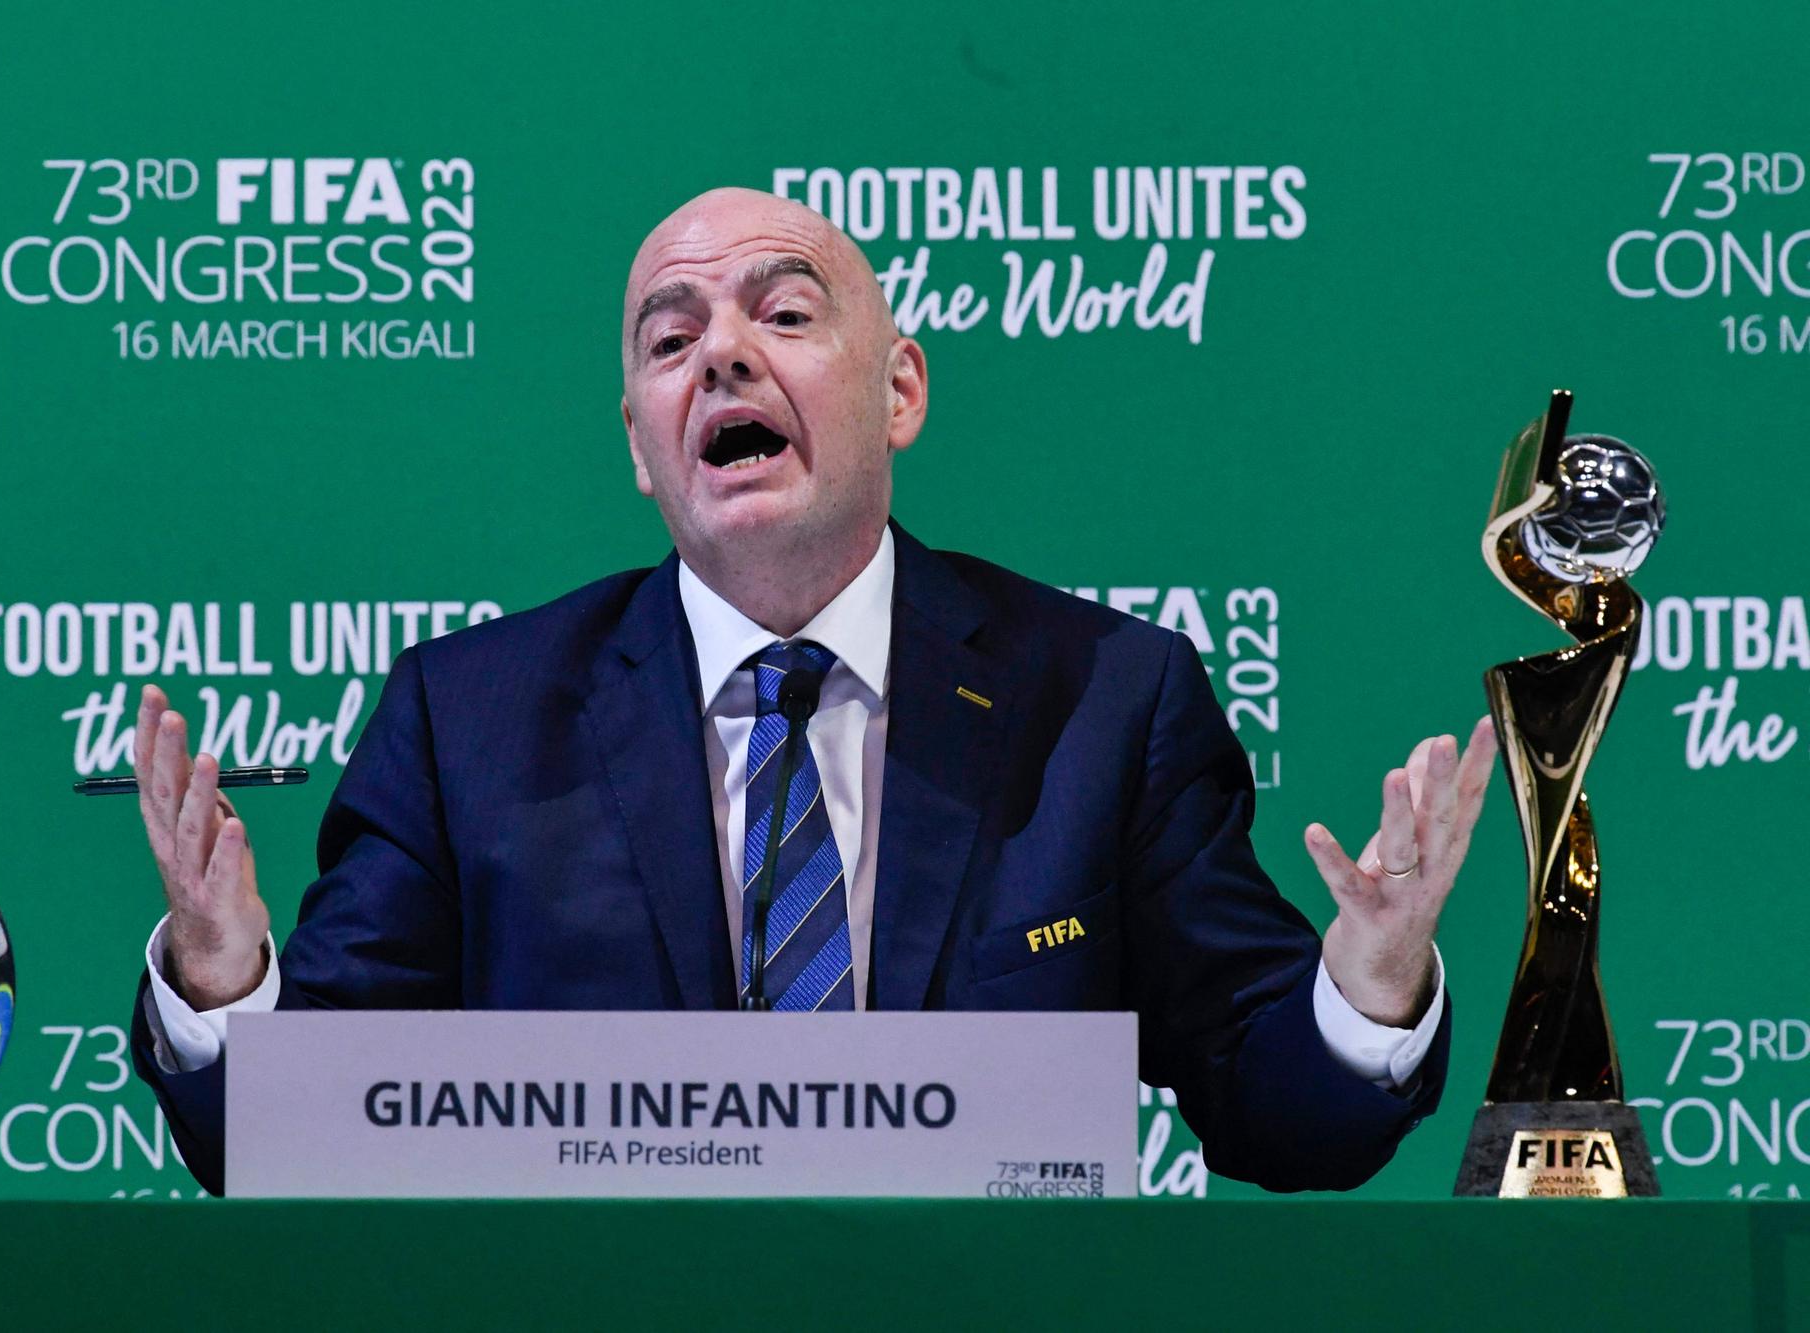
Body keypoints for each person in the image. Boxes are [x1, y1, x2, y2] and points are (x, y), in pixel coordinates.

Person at [130, 187, 1496, 1196]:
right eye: (671, 342)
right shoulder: (469, 721)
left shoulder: (1102, 699)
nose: (722, 354)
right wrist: (224, 975)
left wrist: (1368, 987)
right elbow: (291, 1140)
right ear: (640, 451)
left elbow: (1283, 1116)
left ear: (899, 388)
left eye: (782, 313)